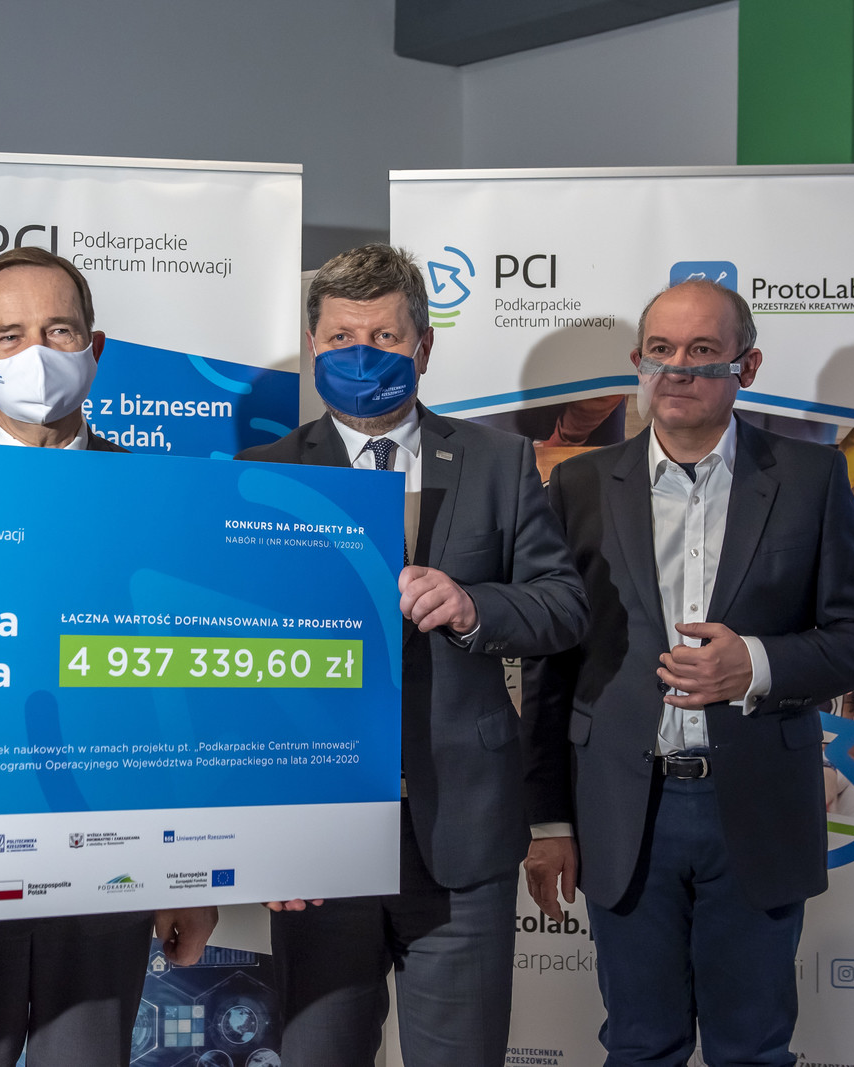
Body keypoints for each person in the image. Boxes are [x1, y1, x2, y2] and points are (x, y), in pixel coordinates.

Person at [521, 279, 854, 1067]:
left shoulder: (810, 478)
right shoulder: (581, 485)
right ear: (639, 362)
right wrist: (550, 821)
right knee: (640, 1044)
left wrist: (754, 663)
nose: (678, 369)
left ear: (746, 366)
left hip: (757, 805)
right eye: (661, 350)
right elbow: (554, 665)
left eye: (702, 351)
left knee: (752, 1048)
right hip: (625, 812)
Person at [235, 243, 589, 1067]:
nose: (362, 353)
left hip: (461, 830)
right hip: (318, 839)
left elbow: (564, 605)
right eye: (342, 337)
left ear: (423, 347)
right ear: (314, 346)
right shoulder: (263, 475)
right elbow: (231, 668)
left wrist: (475, 607)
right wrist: (258, 830)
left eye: (386, 337)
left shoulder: (500, 462)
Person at [0, 246, 218, 1066]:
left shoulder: (164, 504)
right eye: (9, 335)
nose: (35, 352)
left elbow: (186, 697)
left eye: (57, 330)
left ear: (93, 349)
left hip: (109, 877)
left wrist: (192, 875)